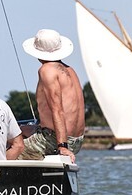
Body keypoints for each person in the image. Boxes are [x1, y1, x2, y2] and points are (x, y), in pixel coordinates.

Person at [19, 29, 85, 162]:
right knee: (19, 131)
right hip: (77, 139)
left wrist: (62, 146)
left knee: (13, 147)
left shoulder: (47, 70)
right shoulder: (70, 70)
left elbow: (58, 110)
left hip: (57, 140)